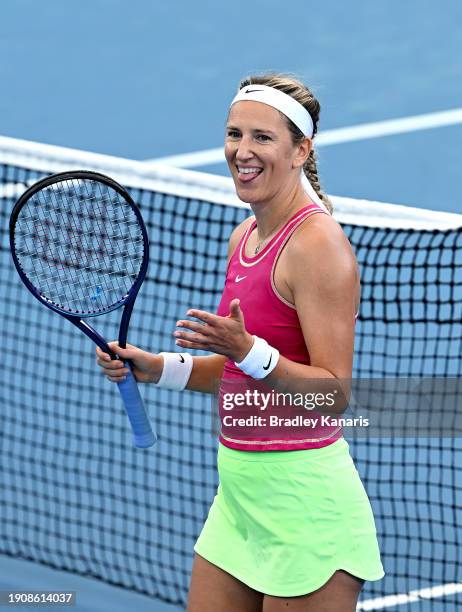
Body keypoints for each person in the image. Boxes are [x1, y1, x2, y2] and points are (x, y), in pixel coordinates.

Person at [96, 73, 384, 611]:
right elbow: (241, 373)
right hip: (239, 500)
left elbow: (334, 395)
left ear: (302, 150)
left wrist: (248, 350)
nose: (242, 152)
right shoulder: (245, 236)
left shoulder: (319, 247)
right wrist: (159, 368)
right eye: (234, 134)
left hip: (306, 507)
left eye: (262, 138)